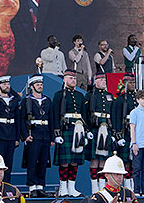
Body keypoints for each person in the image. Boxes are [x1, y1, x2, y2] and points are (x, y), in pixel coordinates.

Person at [53, 68, 86, 197]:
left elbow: (83, 114)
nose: (73, 80)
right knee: (65, 161)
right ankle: (63, 187)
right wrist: (57, 133)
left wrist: (86, 130)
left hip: (78, 129)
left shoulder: (79, 95)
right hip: (65, 128)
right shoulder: (59, 95)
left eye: (74, 78)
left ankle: (72, 187)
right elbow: (55, 114)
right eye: (71, 78)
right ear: (64, 79)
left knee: (74, 160)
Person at [20, 74, 53, 198]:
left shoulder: (47, 100)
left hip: (45, 134)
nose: (40, 86)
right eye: (37, 84)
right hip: (33, 134)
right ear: (32, 86)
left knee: (43, 162)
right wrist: (24, 136)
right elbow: (22, 119)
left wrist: (52, 137)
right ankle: (32, 187)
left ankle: (40, 186)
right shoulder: (27, 101)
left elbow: (51, 118)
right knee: (32, 161)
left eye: (41, 84)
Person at [85, 72, 114, 193]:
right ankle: (94, 187)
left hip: (106, 126)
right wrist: (87, 130)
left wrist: (114, 132)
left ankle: (102, 186)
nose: (104, 82)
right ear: (95, 82)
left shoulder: (110, 96)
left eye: (104, 80)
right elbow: (85, 113)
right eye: (101, 80)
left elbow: (113, 113)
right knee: (94, 159)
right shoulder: (90, 95)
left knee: (104, 158)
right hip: (95, 127)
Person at [112, 72, 137, 191]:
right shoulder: (120, 99)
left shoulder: (136, 98)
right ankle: (127, 185)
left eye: (133, 82)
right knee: (126, 160)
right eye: (130, 82)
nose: (132, 84)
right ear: (125, 83)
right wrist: (118, 135)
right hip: (125, 131)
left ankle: (132, 184)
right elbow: (116, 117)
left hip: (136, 131)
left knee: (134, 161)